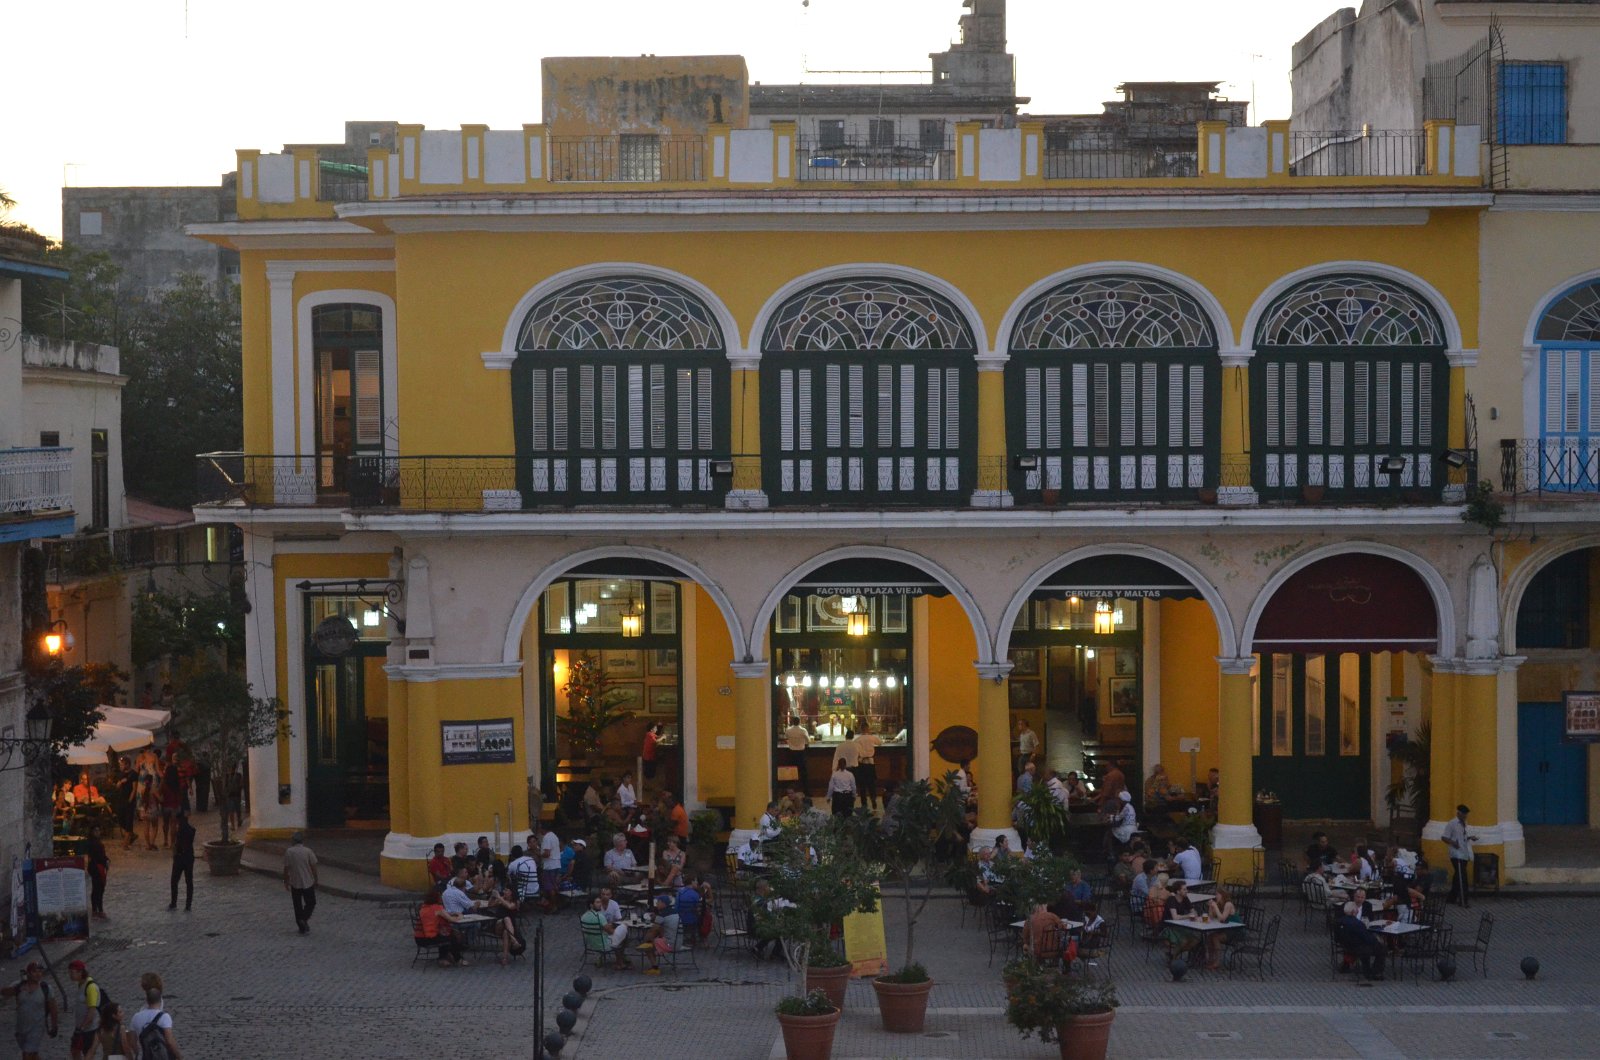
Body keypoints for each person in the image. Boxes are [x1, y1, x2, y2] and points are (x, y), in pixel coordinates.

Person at [3, 961, 58, 1060]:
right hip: (21, 1028)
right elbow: (4, 992)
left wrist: (54, 1026)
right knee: (33, 1056)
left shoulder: (46, 988)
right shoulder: (19, 985)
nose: (38, 974)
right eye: (34, 971)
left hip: (37, 1028)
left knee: (27, 1055)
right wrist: (18, 987)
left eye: (40, 971)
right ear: (28, 973)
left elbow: (53, 1008)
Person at [417, 887, 468, 967]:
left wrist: (448, 914)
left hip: (419, 938)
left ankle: (443, 958)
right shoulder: (437, 908)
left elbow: (438, 915)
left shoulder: (424, 907)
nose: (442, 898)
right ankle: (458, 959)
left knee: (445, 934)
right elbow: (452, 919)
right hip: (429, 939)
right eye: (440, 896)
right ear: (436, 898)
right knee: (452, 937)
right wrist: (460, 916)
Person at [128, 986, 182, 1060]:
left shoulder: (136, 1017)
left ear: (147, 1000)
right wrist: (179, 1056)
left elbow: (132, 1041)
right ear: (161, 1000)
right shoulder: (164, 1017)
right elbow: (169, 1041)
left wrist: (137, 1053)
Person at [1442, 803, 1478, 907]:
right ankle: (1463, 900)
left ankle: (1451, 898)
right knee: (1463, 877)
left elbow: (1463, 837)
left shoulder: (1464, 824)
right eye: (1464, 814)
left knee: (1457, 877)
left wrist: (1470, 837)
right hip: (1456, 854)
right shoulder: (1452, 823)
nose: (1465, 816)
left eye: (1466, 814)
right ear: (1459, 813)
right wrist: (1454, 843)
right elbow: (1444, 837)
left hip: (1464, 853)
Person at [749, 878, 794, 961]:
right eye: (768, 887)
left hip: (755, 925)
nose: (770, 888)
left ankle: (758, 948)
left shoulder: (757, 898)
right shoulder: (760, 902)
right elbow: (767, 916)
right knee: (783, 931)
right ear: (763, 888)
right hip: (757, 928)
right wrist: (777, 918)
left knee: (777, 928)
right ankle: (774, 953)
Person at [581, 894, 630, 970]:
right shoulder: (599, 916)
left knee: (618, 934)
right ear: (591, 905)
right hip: (604, 945)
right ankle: (620, 961)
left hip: (591, 944)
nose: (600, 904)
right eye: (597, 902)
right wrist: (612, 927)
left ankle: (620, 961)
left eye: (600, 902)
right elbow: (611, 932)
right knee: (624, 927)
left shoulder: (583, 916)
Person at [283, 830, 319, 934]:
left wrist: (286, 881)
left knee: (297, 905)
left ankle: (301, 925)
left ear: (293, 841)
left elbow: (286, 868)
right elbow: (313, 867)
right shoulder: (308, 851)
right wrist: (316, 879)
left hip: (295, 882)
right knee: (311, 902)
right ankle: (304, 918)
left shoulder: (289, 852)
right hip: (308, 881)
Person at [1336, 911, 1387, 981]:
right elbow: (1368, 938)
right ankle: (1375, 972)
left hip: (1346, 946)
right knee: (1382, 948)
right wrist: (1377, 940)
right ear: (1353, 912)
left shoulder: (1339, 921)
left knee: (1367, 947)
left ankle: (1367, 970)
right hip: (1357, 948)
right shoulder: (1357, 924)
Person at [66, 960, 100, 1060]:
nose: (70, 975)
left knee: (88, 1054)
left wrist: (82, 1028)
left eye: (72, 972)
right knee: (74, 1050)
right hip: (81, 1028)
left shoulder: (91, 987)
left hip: (89, 1029)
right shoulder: (81, 984)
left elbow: (91, 1011)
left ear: (80, 972)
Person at [1204, 885, 1239, 970]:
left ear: (1222, 895)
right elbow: (1211, 917)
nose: (1216, 896)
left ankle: (1217, 961)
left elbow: (1222, 919)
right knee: (1209, 937)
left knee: (1215, 937)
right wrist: (1211, 907)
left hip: (1234, 930)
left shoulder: (1228, 904)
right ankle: (1210, 959)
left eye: (1217, 894)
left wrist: (1215, 907)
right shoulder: (1220, 904)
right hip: (1225, 929)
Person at [168, 810, 196, 911]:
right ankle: (188, 905)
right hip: (189, 857)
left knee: (174, 881)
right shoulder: (191, 830)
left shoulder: (179, 831)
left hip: (180, 857)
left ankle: (173, 903)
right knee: (189, 881)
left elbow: (177, 844)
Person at [853, 723, 881, 810]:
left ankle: (864, 804)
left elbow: (855, 749)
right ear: (868, 729)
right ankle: (873, 800)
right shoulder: (872, 738)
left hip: (861, 763)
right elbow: (880, 743)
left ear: (861, 729)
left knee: (862, 784)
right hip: (870, 763)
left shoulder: (857, 740)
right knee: (871, 783)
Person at [85, 826, 109, 920]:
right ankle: (97, 910)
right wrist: (105, 861)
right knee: (97, 889)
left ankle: (98, 909)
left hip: (98, 867)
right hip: (96, 868)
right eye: (96, 830)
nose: (98, 832)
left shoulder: (97, 842)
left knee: (99, 889)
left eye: (99, 830)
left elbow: (102, 855)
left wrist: (106, 859)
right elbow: (97, 857)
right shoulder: (92, 843)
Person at [782, 716, 810, 794]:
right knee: (803, 773)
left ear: (792, 722)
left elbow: (785, 737)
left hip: (791, 753)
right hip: (801, 753)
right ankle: (806, 791)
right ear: (799, 722)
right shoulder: (803, 730)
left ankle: (790, 791)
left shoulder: (788, 730)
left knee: (791, 772)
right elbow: (808, 740)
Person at [538, 824, 563, 911]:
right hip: (556, 863)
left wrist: (539, 855)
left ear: (542, 829)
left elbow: (547, 853)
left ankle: (553, 906)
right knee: (555, 885)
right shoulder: (554, 836)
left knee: (550, 887)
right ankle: (556, 904)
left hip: (549, 865)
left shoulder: (546, 837)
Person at [1107, 789, 1138, 855]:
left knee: (1110, 833)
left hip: (1127, 829)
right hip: (1133, 827)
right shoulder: (1130, 806)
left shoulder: (1126, 807)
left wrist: (1110, 816)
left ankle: (1111, 853)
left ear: (1122, 800)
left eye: (1119, 799)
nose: (1119, 800)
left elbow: (1118, 818)